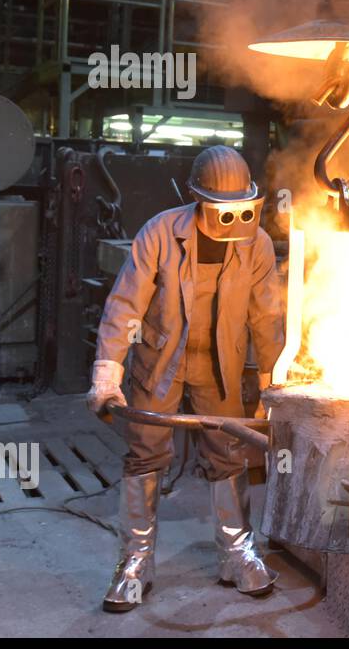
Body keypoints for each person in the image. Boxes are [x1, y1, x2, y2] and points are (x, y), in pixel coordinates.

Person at [87, 145, 285, 612]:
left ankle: (237, 555)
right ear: (198, 201)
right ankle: (135, 563)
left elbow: (266, 318)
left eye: (242, 208)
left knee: (228, 451)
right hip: (160, 365)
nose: (234, 219)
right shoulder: (160, 232)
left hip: (221, 367)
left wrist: (276, 381)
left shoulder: (255, 243)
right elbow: (125, 304)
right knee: (145, 455)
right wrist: (107, 371)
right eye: (223, 210)